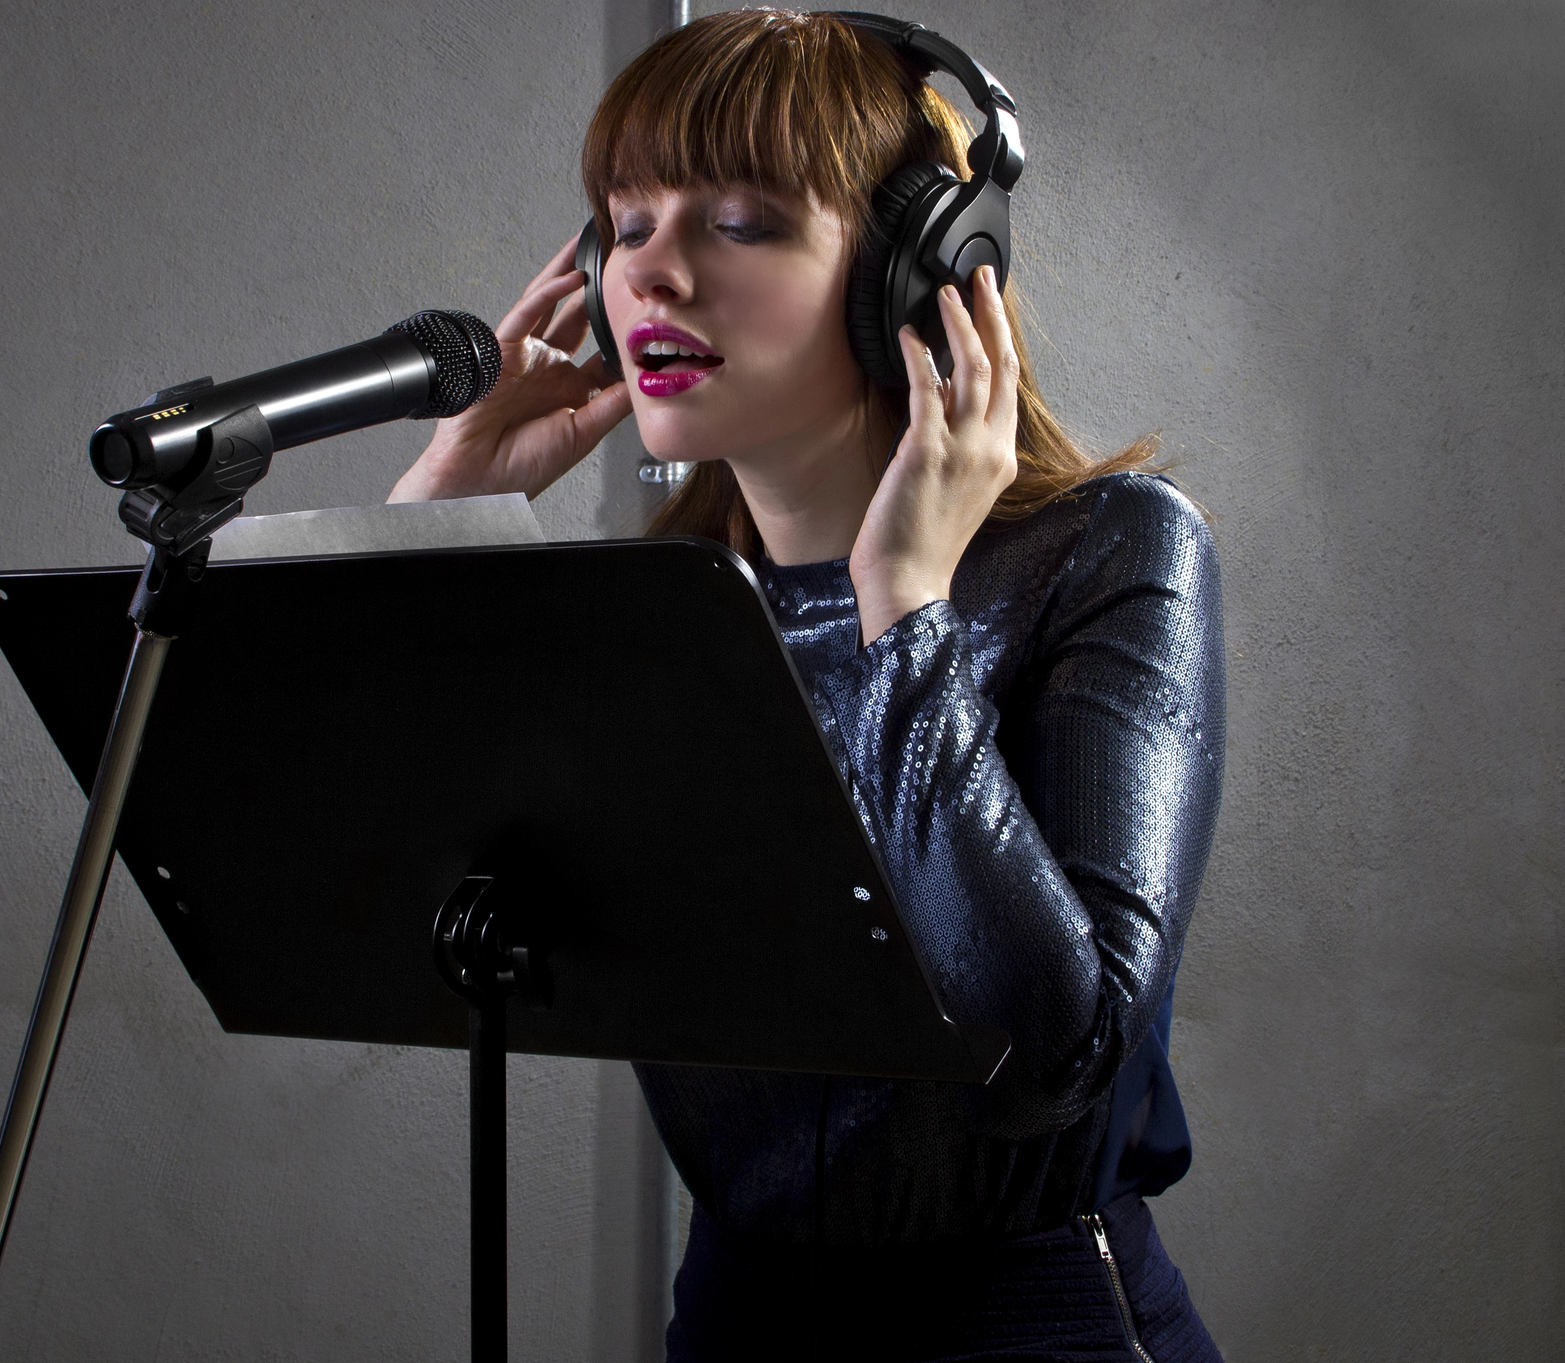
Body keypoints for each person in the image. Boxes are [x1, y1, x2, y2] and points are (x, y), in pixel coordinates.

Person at [391, 10, 1224, 1360]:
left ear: (919, 272)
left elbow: (1052, 1058)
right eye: (629, 223)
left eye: (738, 223)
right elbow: (368, 902)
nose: (652, 278)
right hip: (733, 1325)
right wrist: (435, 525)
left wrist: (903, 610)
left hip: (1028, 1333)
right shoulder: (653, 615)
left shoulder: (1112, 548)